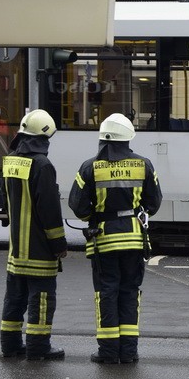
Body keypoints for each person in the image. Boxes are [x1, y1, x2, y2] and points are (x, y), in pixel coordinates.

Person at [69, 113, 162, 364]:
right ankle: (129, 352)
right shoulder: (144, 164)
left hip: (104, 240)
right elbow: (153, 203)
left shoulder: (89, 167)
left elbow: (77, 205)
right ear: (128, 139)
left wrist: (95, 216)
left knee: (106, 293)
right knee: (130, 292)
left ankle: (108, 352)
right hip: (133, 239)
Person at [0, 109, 68, 361]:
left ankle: (11, 345)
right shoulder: (43, 165)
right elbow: (49, 209)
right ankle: (39, 348)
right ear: (43, 137)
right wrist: (59, 243)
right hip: (38, 249)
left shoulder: (11, 160)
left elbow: (6, 201)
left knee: (14, 298)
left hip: (16, 249)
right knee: (41, 299)